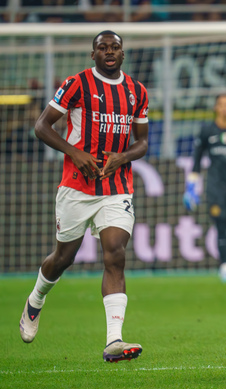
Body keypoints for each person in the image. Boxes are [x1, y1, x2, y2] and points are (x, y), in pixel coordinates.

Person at [19, 31, 149, 363]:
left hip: (117, 187)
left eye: (115, 47)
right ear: (93, 54)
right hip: (76, 188)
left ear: (123, 53)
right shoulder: (76, 83)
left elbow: (143, 142)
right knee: (63, 258)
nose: (109, 52)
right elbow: (42, 126)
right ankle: (36, 300)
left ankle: (114, 341)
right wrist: (74, 153)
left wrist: (124, 157)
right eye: (103, 47)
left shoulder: (137, 92)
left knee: (115, 254)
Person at [184, 93, 226, 284]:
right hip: (215, 188)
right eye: (221, 104)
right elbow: (196, 161)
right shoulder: (207, 131)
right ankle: (225, 266)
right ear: (216, 108)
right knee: (221, 223)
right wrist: (191, 186)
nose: (225, 108)